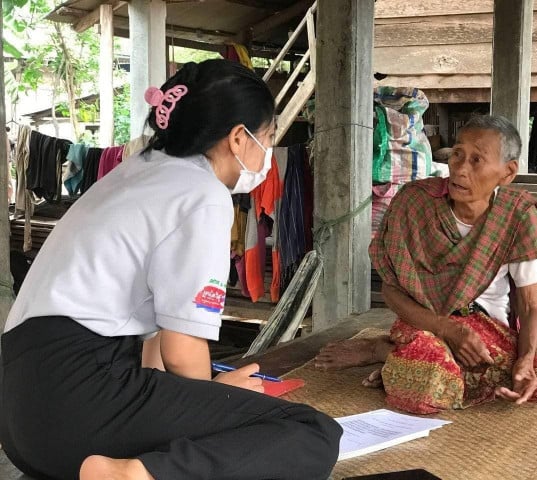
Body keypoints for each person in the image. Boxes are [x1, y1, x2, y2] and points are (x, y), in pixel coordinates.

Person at [0, 59, 342, 480]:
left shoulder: (138, 170)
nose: (267, 152)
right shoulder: (201, 193)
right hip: (81, 399)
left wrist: (191, 403)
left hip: (26, 415)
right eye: (268, 137)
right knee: (312, 430)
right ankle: (137, 476)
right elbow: (181, 351)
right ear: (239, 137)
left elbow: (148, 340)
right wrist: (210, 399)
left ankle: (130, 469)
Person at [315, 115, 537, 414]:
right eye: (457, 154)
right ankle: (384, 350)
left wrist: (525, 361)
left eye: (477, 160)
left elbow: (531, 305)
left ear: (507, 173)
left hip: (489, 335)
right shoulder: (414, 203)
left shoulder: (517, 215)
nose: (461, 169)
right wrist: (447, 329)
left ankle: (408, 363)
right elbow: (391, 292)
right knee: (426, 386)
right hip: (426, 323)